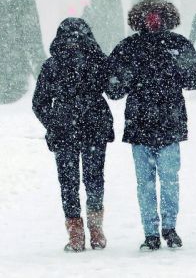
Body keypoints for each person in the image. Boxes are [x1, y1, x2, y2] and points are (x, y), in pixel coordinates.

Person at [106, 0, 196, 251]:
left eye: (157, 15)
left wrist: (131, 78)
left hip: (154, 122)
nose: (153, 20)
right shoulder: (149, 46)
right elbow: (113, 87)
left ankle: (163, 229)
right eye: (149, 15)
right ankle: (155, 231)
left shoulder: (137, 46)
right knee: (156, 181)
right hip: (157, 122)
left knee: (158, 181)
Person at [32, 18, 115, 253]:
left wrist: (54, 122)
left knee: (78, 181)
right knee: (85, 179)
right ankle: (87, 230)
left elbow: (39, 103)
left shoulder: (59, 64)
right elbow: (40, 102)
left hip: (80, 128)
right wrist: (55, 123)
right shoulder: (88, 62)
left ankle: (84, 231)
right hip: (82, 128)